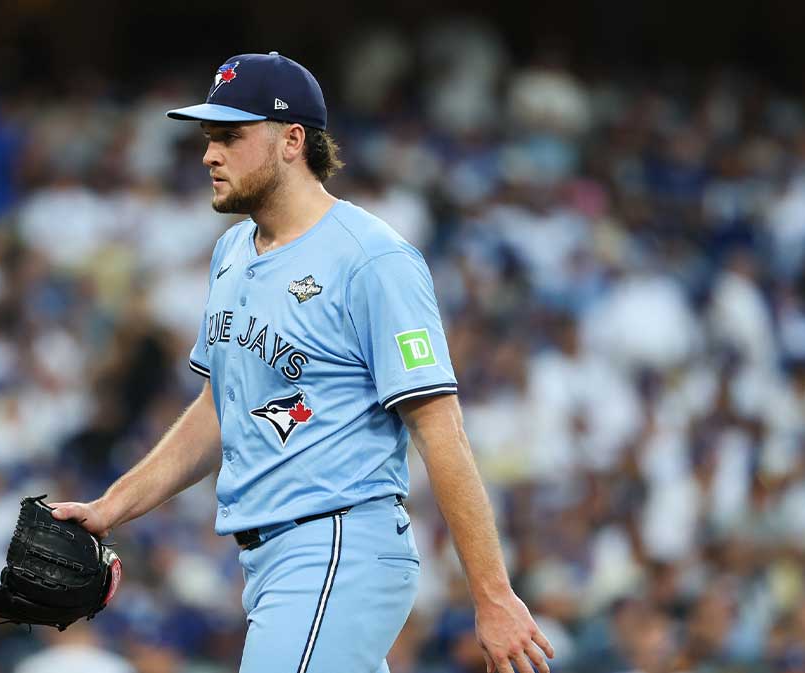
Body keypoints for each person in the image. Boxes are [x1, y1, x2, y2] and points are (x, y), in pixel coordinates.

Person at [50, 52, 555, 673]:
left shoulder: (371, 259)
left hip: (338, 544)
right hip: (270, 562)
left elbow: (437, 425)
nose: (210, 154)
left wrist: (493, 595)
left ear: (292, 141)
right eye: (209, 137)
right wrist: (111, 507)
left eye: (230, 136)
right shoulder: (233, 251)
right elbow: (219, 409)